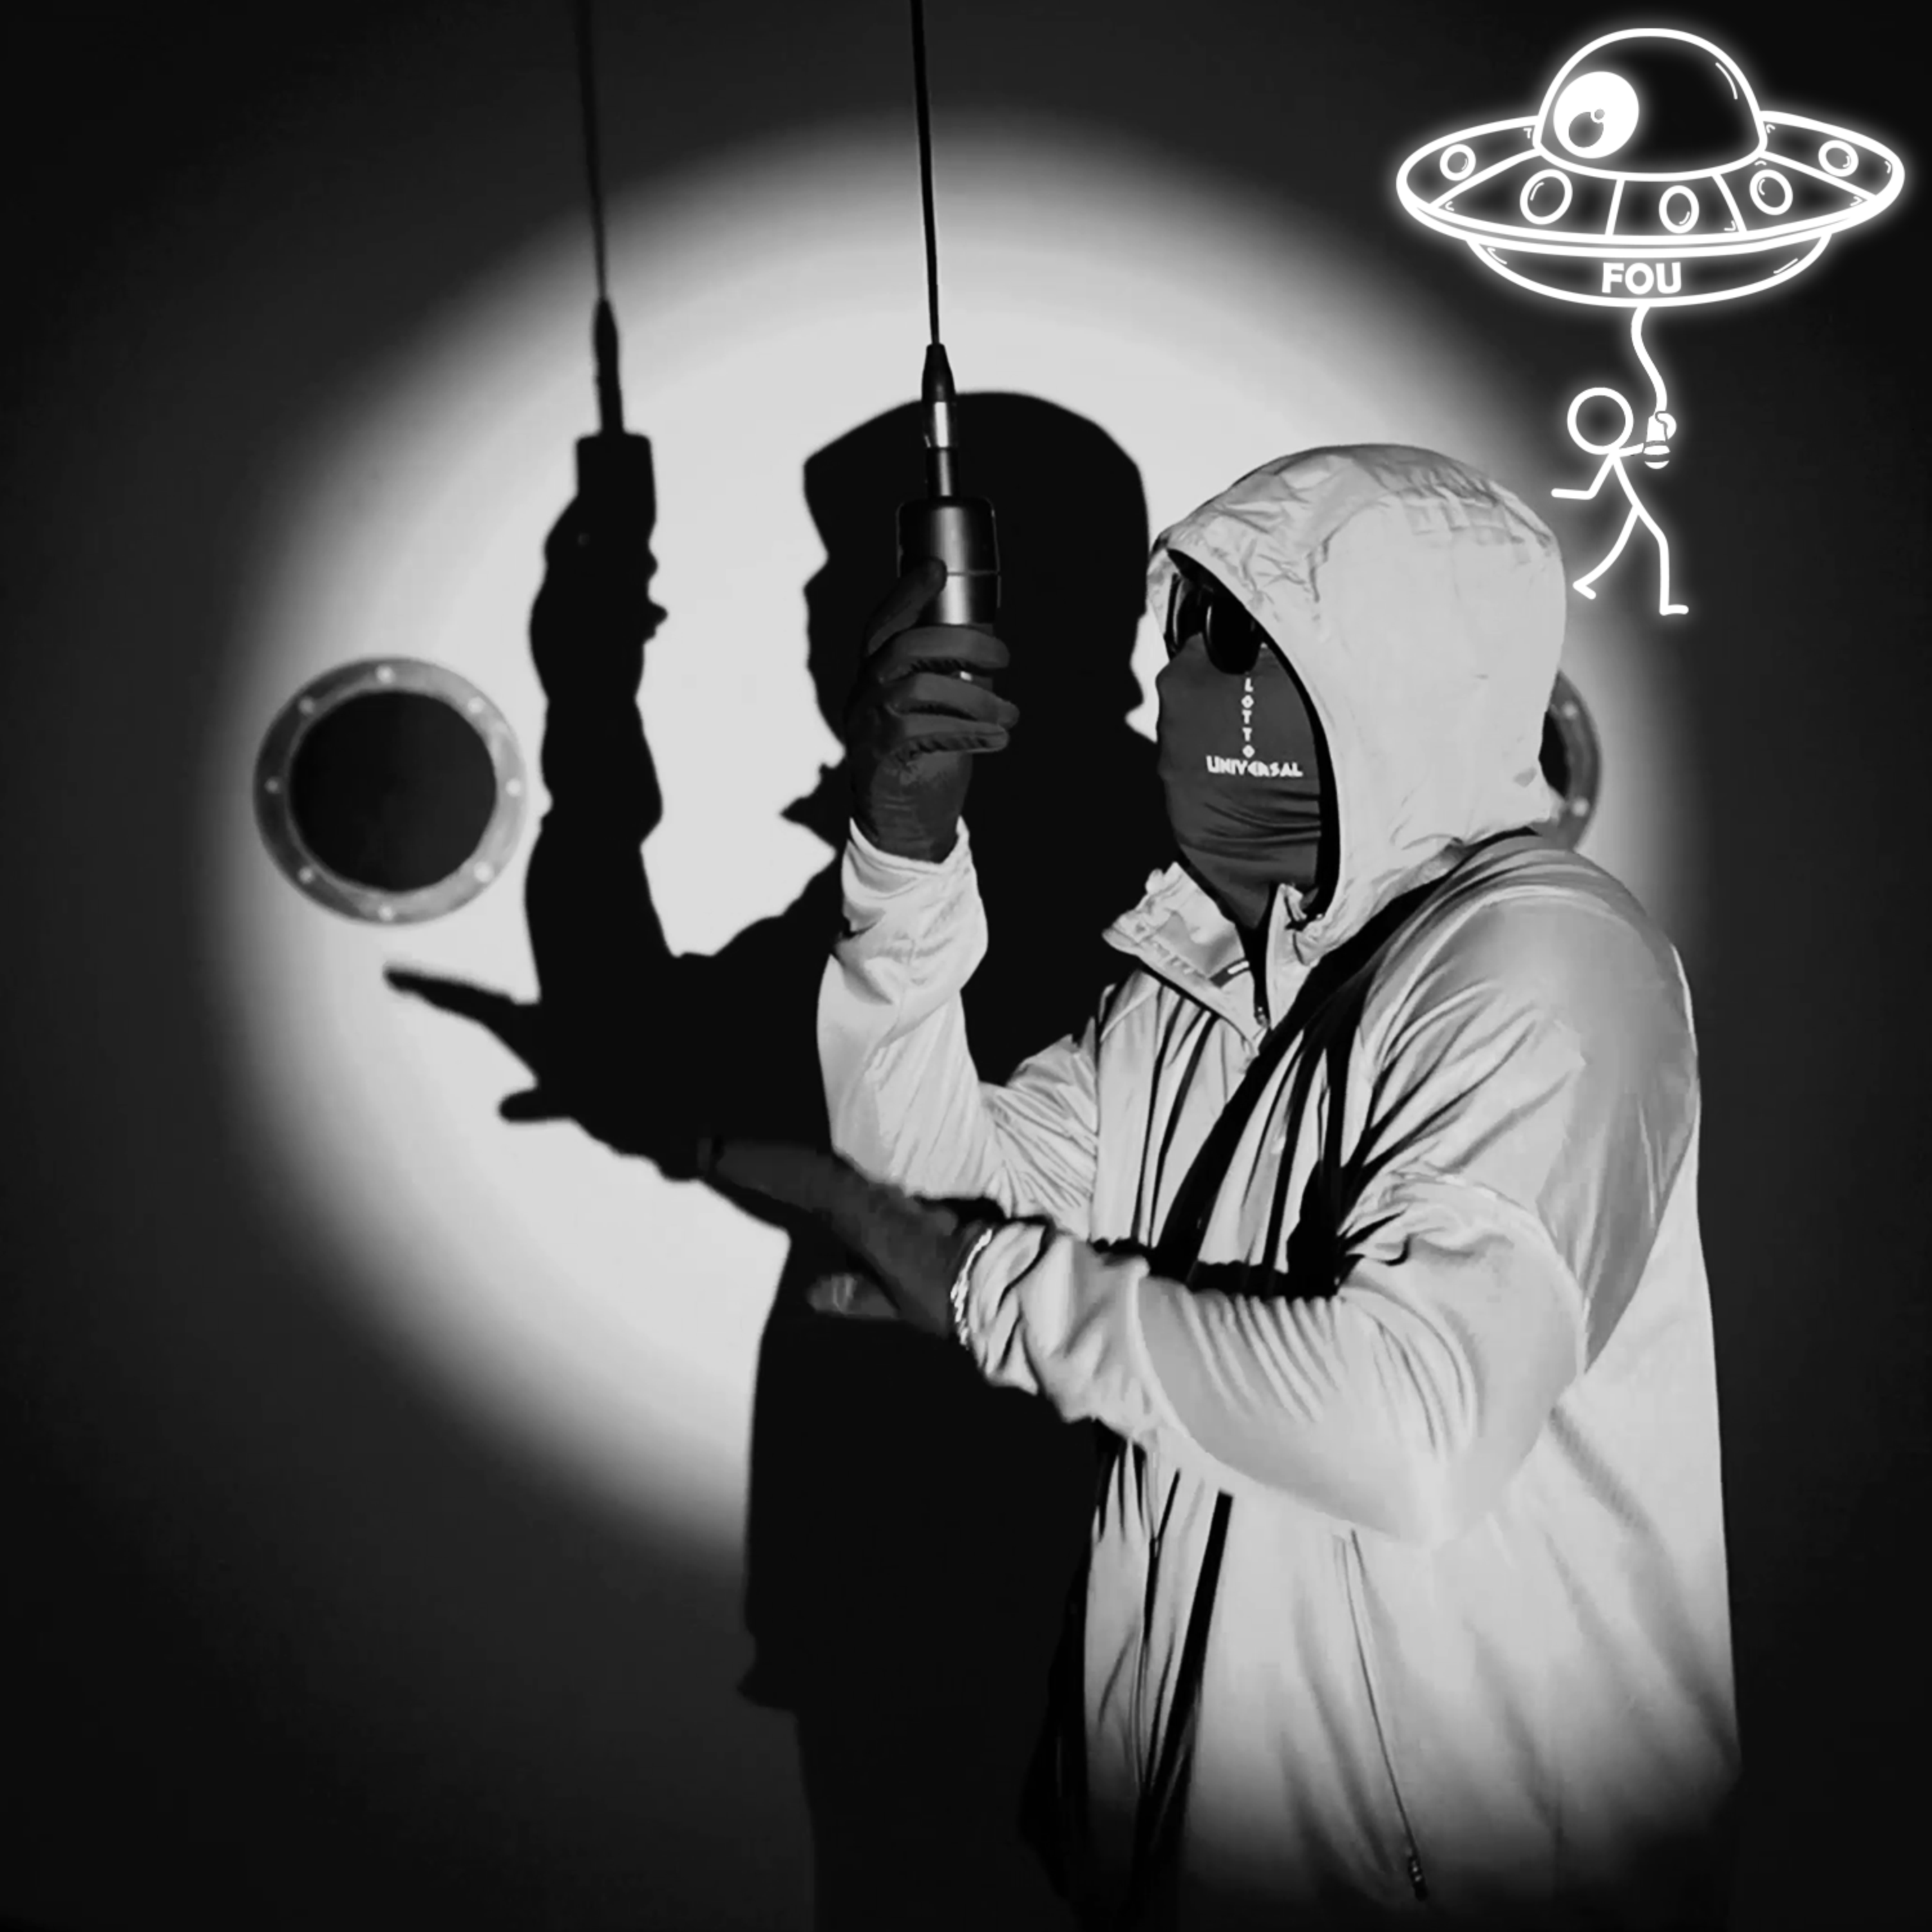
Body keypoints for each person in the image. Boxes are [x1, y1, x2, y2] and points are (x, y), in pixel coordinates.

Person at [705, 444, 1741, 1929]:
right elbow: (941, 1199)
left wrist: (986, 1288)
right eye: (1175, 630)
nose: (1170, 682)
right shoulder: (1198, 983)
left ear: (1376, 671)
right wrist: (903, 850)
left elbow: (1417, 1430)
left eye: (1225, 639)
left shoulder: (1542, 959)